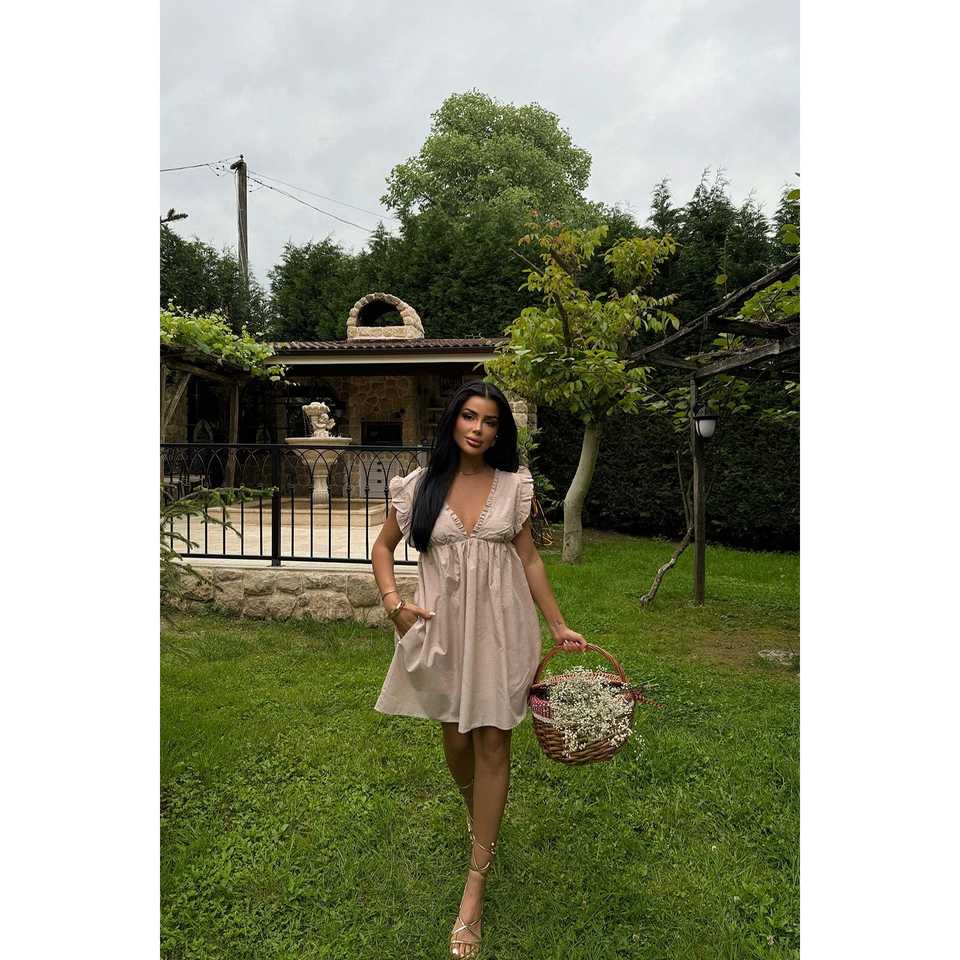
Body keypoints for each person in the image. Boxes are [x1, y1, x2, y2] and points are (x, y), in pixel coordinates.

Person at [371, 380, 587, 958]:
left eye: (490, 422)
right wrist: (393, 604)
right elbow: (383, 548)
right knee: (456, 741)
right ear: (453, 420)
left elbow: (530, 559)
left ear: (499, 432)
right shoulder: (418, 486)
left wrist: (558, 624)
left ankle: (476, 881)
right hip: (442, 630)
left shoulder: (514, 486)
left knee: (493, 742)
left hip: (502, 629)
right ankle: (481, 821)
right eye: (470, 416)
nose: (478, 429)